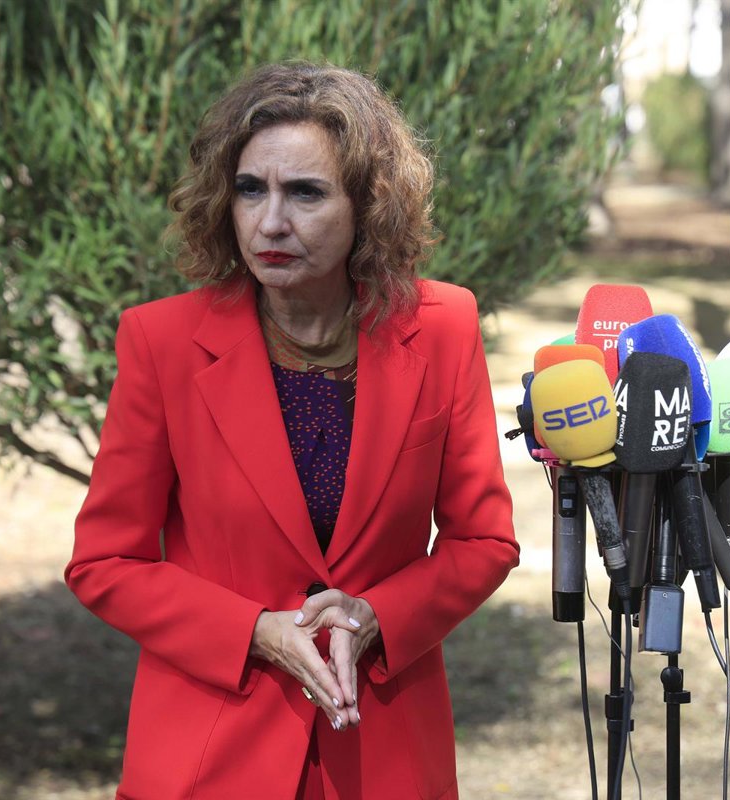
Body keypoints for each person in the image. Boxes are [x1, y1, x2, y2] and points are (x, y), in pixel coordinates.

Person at [65, 61, 519, 800]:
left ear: (369, 205)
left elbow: (484, 542)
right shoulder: (161, 342)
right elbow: (105, 562)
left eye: (305, 192)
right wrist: (252, 630)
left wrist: (378, 616)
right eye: (251, 189)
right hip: (208, 760)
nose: (270, 222)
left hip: (383, 755)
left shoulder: (443, 328)